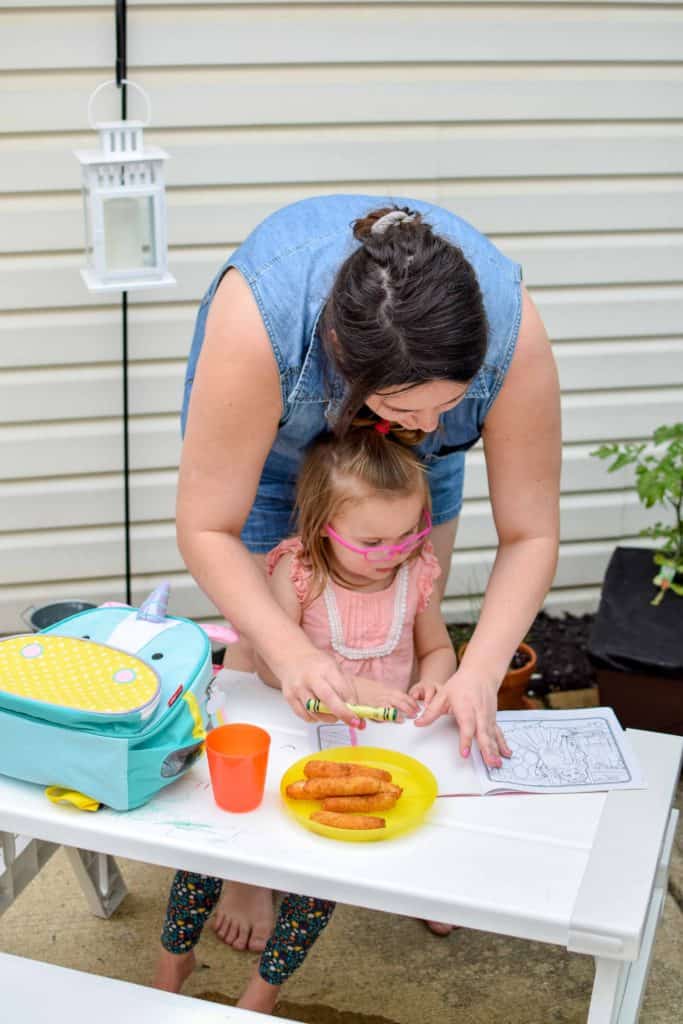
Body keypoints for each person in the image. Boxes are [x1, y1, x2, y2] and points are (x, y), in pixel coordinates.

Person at [174, 195, 560, 959]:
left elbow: (531, 530)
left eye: (446, 408)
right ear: (341, 359)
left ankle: (411, 848)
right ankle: (251, 862)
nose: (418, 429)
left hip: (407, 450)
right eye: (400, 407)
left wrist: (478, 669)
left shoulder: (514, 340)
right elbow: (206, 526)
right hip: (280, 445)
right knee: (267, 648)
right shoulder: (260, 326)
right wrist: (293, 653)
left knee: (412, 601)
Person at [155, 425, 460, 1013]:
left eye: (409, 533)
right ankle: (175, 961)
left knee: (347, 861)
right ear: (324, 524)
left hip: (378, 743)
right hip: (296, 735)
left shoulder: (415, 571)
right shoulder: (299, 574)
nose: (394, 552)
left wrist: (435, 677)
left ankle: (264, 992)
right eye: (373, 541)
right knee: (213, 848)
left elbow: (437, 646)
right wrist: (358, 684)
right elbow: (272, 669)